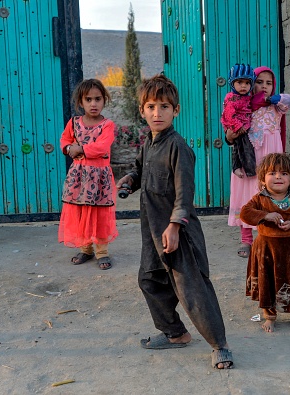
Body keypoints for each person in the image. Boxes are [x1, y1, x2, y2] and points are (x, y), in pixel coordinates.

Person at [116, 74, 233, 369]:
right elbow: (141, 170)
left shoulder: (178, 147)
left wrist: (175, 226)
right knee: (149, 280)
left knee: (192, 288)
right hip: (153, 231)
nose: (158, 113)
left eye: (165, 106)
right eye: (152, 106)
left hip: (178, 231)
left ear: (176, 111)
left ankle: (220, 346)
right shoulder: (148, 143)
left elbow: (185, 193)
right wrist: (130, 180)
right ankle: (175, 333)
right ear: (142, 110)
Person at [240, 153, 290, 333]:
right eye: (272, 173)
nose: (278, 177)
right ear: (263, 178)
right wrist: (266, 215)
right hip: (266, 249)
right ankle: (270, 316)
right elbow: (245, 213)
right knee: (266, 281)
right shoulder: (259, 199)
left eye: (284, 173)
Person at [226, 66, 290, 259]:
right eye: (259, 82)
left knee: (271, 194)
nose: (264, 86)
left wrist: (271, 99)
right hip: (249, 158)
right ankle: (247, 239)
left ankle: (270, 235)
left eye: (269, 83)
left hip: (271, 159)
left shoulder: (276, 106)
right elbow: (230, 131)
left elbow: (287, 100)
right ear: (251, 84)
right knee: (246, 195)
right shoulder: (242, 106)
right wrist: (230, 136)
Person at [58, 78, 118, 270]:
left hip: (99, 178)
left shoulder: (107, 125)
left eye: (98, 99)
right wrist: (68, 148)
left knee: (100, 214)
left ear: (104, 100)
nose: (93, 104)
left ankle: (102, 252)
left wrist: (79, 149)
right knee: (81, 212)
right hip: (79, 178)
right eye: (89, 99)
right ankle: (85, 249)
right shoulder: (74, 122)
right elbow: (64, 140)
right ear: (81, 102)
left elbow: (101, 147)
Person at [221, 63, 256, 178]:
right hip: (235, 126)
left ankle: (238, 167)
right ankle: (248, 169)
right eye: (239, 82)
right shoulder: (232, 98)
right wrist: (238, 126)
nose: (243, 86)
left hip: (242, 125)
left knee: (239, 147)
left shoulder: (247, 97)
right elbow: (229, 114)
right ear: (232, 83)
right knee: (243, 147)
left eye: (247, 83)